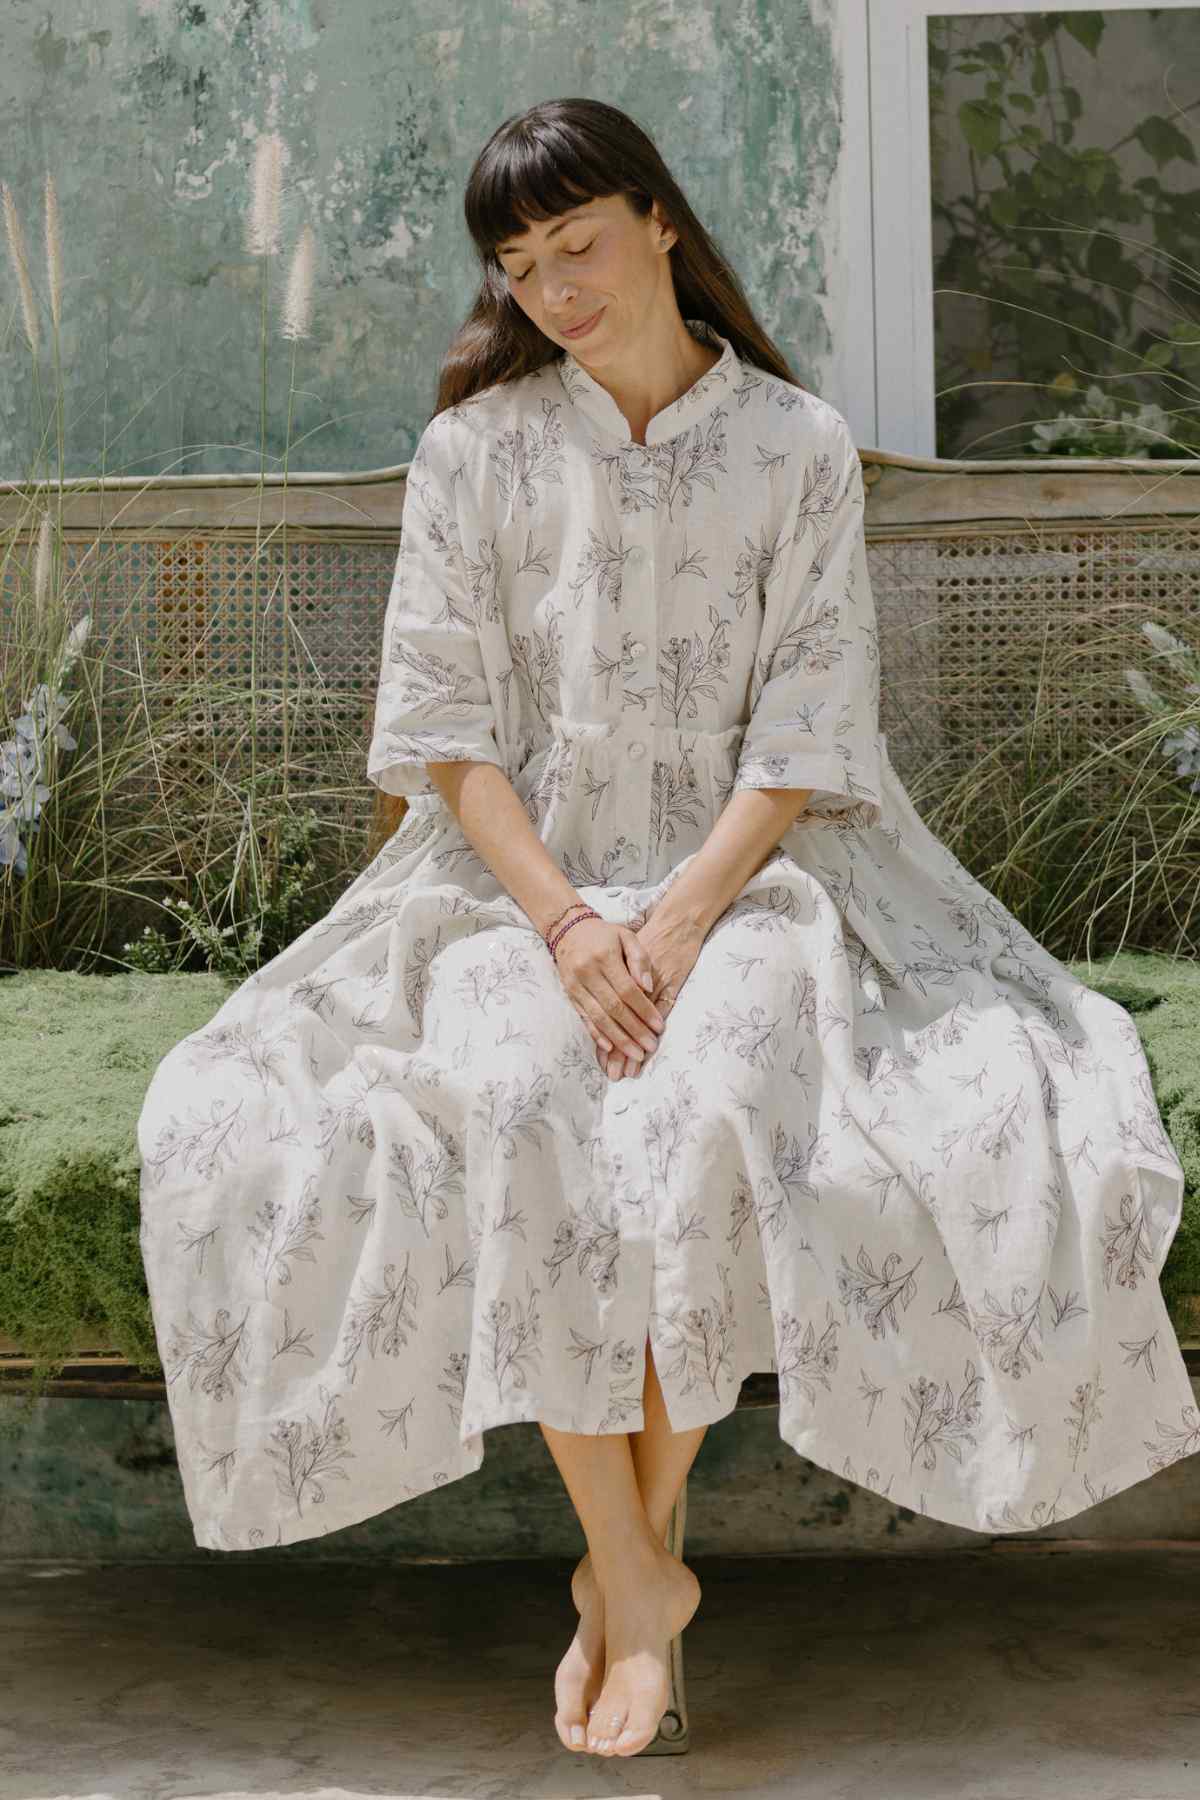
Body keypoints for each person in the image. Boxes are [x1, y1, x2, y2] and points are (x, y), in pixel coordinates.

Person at [137, 97, 1200, 1762]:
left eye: (577, 244)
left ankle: (633, 1570)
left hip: (766, 878)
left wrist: (690, 916)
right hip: (512, 887)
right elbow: (449, 738)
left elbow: (807, 731)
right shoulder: (474, 454)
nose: (553, 286)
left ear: (657, 221)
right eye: (517, 262)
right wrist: (566, 927)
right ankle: (636, 1574)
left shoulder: (794, 445)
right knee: (516, 1097)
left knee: (712, 1108)